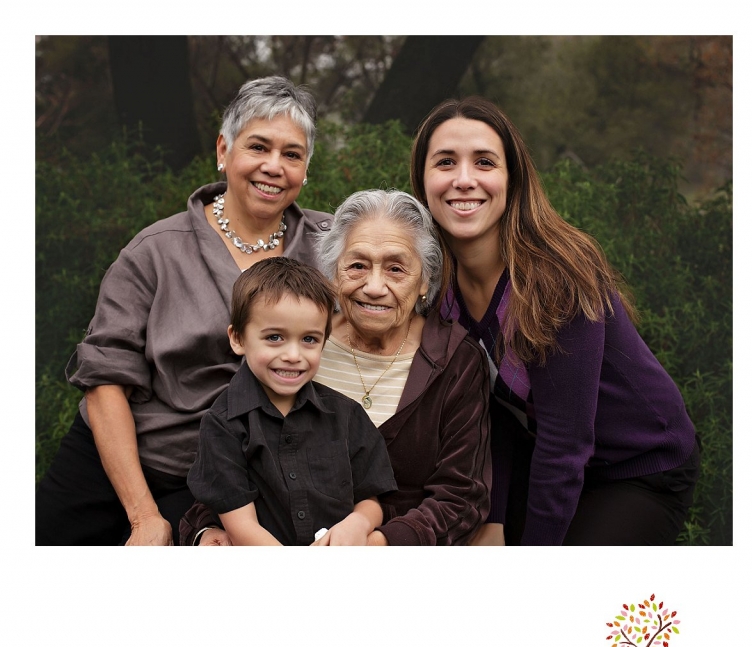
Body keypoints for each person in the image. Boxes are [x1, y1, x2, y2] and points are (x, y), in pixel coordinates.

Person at [36, 76, 333, 546]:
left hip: (226, 475)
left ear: (306, 168)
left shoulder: (329, 246)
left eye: (292, 154)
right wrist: (141, 516)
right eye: (258, 147)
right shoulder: (153, 250)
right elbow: (105, 378)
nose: (274, 167)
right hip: (118, 454)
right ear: (223, 149)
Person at [409, 96, 701, 546]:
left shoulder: (558, 279)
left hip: (638, 467)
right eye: (445, 162)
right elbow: (494, 416)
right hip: (543, 454)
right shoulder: (437, 287)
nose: (464, 180)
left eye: (484, 162)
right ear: (423, 179)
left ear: (512, 179)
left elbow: (566, 447)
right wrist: (495, 517)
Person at [180, 189, 492, 546]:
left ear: (424, 281)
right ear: (333, 273)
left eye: (396, 268)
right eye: (357, 265)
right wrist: (206, 531)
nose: (374, 287)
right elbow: (226, 462)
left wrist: (378, 543)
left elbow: (462, 496)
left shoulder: (455, 360)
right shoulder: (297, 347)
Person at [187, 258, 396, 545]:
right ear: (237, 338)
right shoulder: (223, 425)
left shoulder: (346, 416)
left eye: (309, 340)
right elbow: (241, 527)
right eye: (275, 337)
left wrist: (359, 522)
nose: (293, 355)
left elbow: (370, 498)